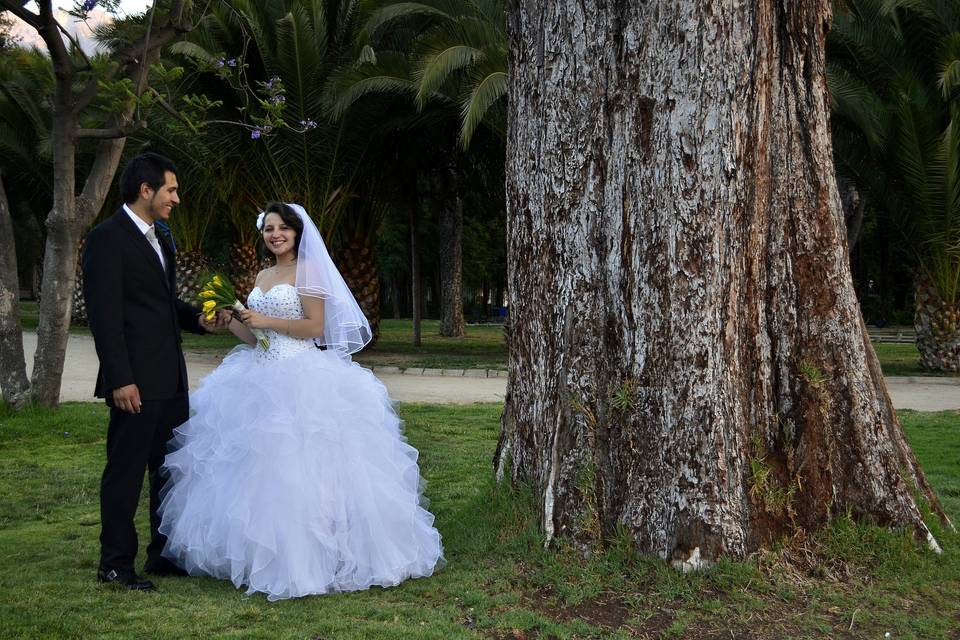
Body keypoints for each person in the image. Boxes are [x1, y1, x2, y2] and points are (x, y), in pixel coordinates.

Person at [157, 202, 443, 601]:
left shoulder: (310, 271)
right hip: (257, 374)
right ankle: (259, 551)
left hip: (300, 376)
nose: (275, 235)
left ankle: (315, 555)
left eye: (282, 228)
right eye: (268, 229)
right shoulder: (262, 274)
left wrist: (265, 320)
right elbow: (255, 338)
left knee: (303, 468)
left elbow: (314, 327)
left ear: (297, 233)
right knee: (256, 468)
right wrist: (234, 321)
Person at [83, 152, 218, 591]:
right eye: (171, 190)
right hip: (135, 382)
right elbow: (105, 316)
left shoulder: (161, 236)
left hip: (170, 379)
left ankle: (163, 554)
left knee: (168, 470)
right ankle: (116, 564)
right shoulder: (108, 238)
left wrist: (198, 318)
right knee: (125, 470)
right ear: (146, 190)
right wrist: (121, 379)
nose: (176, 198)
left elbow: (159, 305)